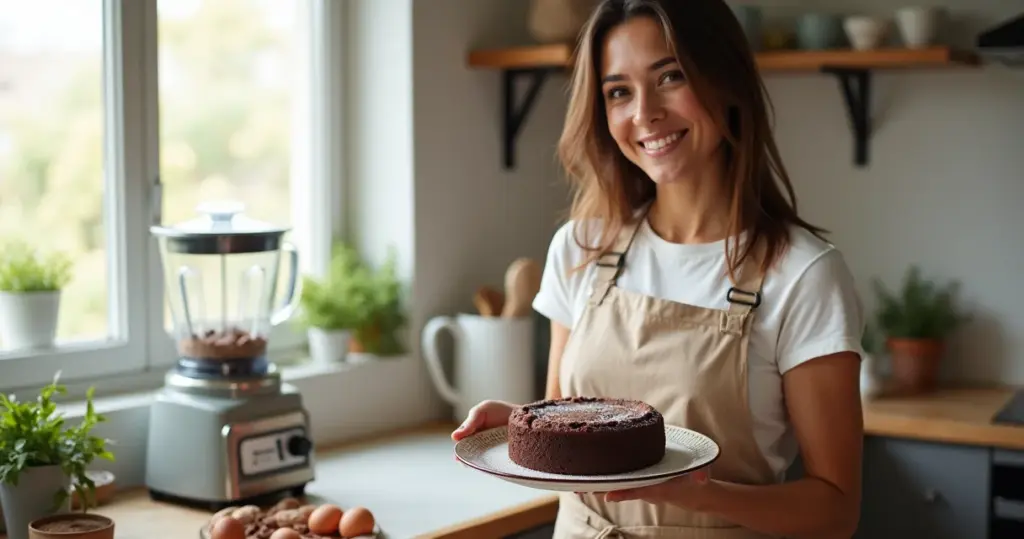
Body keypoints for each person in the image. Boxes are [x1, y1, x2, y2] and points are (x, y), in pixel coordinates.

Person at [451, 0, 865, 537]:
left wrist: (700, 496)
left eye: (669, 77)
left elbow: (835, 510)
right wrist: (519, 422)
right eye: (618, 91)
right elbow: (569, 429)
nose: (644, 112)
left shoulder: (804, 274)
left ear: (725, 80)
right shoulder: (581, 248)